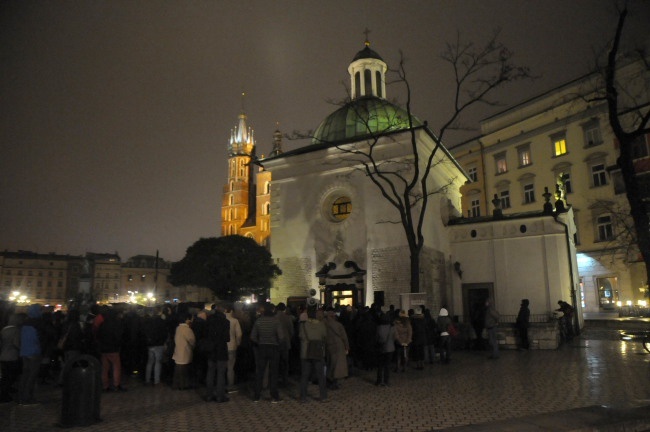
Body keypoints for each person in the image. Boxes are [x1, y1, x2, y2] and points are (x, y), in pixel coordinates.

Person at [250, 303, 285, 403]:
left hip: (262, 348)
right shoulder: (276, 321)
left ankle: (257, 395)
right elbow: (281, 337)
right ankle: (274, 396)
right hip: (274, 348)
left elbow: (252, 337)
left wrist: (259, 342)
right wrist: (278, 343)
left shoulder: (259, 321)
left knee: (260, 371)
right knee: (273, 372)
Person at [299, 307, 327, 402]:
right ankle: (323, 396)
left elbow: (301, 336)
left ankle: (303, 397)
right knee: (321, 375)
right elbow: (324, 336)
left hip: (305, 352)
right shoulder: (321, 324)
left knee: (305, 375)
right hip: (318, 351)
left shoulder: (303, 325)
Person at [18, 304, 43, 405]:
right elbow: (41, 337)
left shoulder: (24, 323)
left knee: (25, 375)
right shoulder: (38, 323)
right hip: (34, 351)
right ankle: (27, 397)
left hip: (24, 351)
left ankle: (21, 395)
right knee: (32, 375)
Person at [204, 303, 230, 402]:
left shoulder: (209, 320)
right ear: (223, 310)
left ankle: (209, 395)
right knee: (220, 373)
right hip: (221, 349)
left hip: (210, 350)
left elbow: (205, 334)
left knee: (210, 372)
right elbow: (227, 338)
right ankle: (220, 396)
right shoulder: (225, 322)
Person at [96, 307, 126, 391]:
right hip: (113, 348)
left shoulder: (103, 324)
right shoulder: (116, 323)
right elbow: (118, 336)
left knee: (105, 368)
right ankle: (116, 384)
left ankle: (105, 386)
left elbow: (98, 335)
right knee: (116, 367)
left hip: (104, 349)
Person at [0, 313, 24, 403]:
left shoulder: (4, 329)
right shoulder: (16, 330)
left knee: (5, 376)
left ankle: (5, 391)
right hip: (12, 355)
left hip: (3, 355)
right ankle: (4, 394)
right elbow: (16, 343)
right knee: (10, 376)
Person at [143, 307, 168, 385]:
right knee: (158, 362)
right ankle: (156, 380)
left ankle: (147, 379)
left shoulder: (147, 321)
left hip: (150, 344)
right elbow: (164, 333)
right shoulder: (161, 321)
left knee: (150, 362)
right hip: (159, 344)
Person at [324, 308, 349, 389]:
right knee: (337, 365)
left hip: (329, 345)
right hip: (339, 345)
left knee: (330, 363)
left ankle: (329, 380)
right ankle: (335, 382)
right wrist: (347, 347)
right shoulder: (338, 325)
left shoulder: (324, 324)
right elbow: (344, 337)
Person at [172, 313, 195, 390]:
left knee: (177, 370)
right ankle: (183, 385)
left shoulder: (178, 328)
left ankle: (176, 385)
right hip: (185, 352)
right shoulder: (187, 330)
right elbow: (192, 340)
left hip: (178, 351)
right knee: (184, 371)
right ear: (187, 319)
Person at [275, 302, 294, 388]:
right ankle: (285, 380)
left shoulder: (274, 318)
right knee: (285, 362)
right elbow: (291, 331)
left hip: (276, 342)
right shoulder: (287, 318)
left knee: (276, 362)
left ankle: (275, 379)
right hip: (286, 342)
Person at [224, 303, 242, 393]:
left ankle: (221, 384)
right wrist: (238, 343)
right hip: (231, 346)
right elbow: (239, 334)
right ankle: (230, 386)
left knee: (222, 366)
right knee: (230, 367)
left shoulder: (221, 319)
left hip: (222, 347)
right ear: (231, 311)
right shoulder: (234, 321)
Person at [375, 313, 395, 386]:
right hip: (390, 348)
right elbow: (394, 337)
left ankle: (379, 381)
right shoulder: (392, 328)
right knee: (387, 365)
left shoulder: (378, 327)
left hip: (381, 348)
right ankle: (386, 381)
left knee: (380, 366)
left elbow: (376, 338)